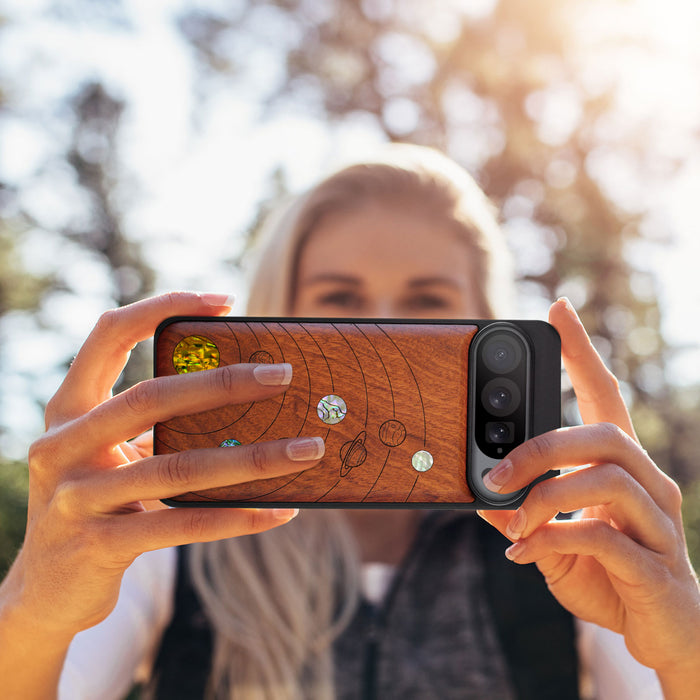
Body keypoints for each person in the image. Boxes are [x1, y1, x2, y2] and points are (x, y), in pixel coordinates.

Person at [0, 145, 698, 700]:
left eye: (427, 302)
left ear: (488, 323)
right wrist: (34, 607)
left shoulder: (567, 543)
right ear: (279, 313)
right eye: (340, 299)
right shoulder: (171, 536)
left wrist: (685, 648)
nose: (384, 331)